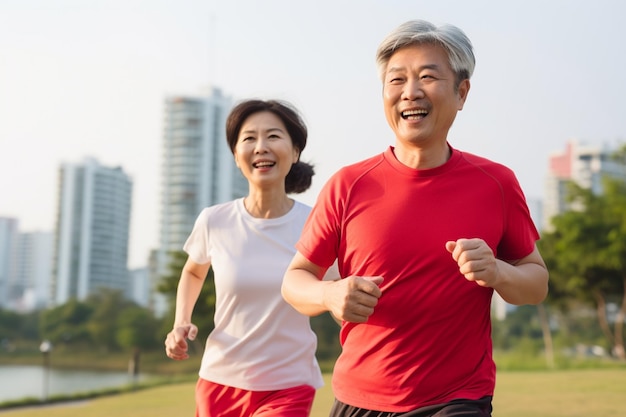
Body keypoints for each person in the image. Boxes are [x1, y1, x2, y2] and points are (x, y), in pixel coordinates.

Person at [281, 19, 549, 416]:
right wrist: (329, 294)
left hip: (459, 399)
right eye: (396, 80)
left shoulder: (497, 183)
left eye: (427, 76)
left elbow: (537, 283)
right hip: (359, 398)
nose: (410, 92)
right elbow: (294, 281)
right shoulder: (348, 184)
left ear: (462, 92)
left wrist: (498, 272)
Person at [164, 99, 327, 417]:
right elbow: (194, 272)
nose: (261, 146)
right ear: (236, 155)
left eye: (273, 136)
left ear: (294, 152)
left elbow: (334, 292)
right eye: (249, 138)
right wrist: (180, 322)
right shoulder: (214, 220)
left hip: (289, 384)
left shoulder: (316, 224)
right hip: (219, 381)